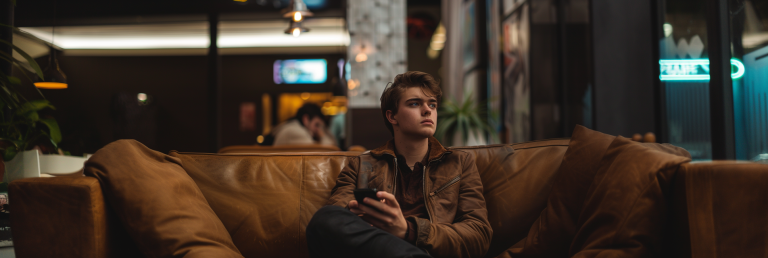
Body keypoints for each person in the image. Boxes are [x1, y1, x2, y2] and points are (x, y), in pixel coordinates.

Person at [306, 71, 492, 258]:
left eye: (432, 104)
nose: (428, 110)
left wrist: (408, 230)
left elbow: (478, 236)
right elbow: (336, 220)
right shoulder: (360, 164)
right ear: (392, 116)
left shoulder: (460, 163)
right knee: (325, 218)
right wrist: (373, 220)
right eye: (414, 103)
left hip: (430, 251)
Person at [271, 103, 335, 146]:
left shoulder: (292, 126)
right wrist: (322, 135)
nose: (318, 130)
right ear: (306, 119)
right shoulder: (295, 131)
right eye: (317, 124)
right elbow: (327, 152)